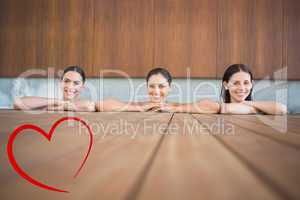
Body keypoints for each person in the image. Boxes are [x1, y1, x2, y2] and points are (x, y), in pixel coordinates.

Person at [96, 67, 220, 113]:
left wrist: (175, 109)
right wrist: (138, 108)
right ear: (146, 87)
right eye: (151, 86)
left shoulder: (174, 105)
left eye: (161, 86)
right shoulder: (138, 105)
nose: (155, 91)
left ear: (170, 88)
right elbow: (102, 105)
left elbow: (213, 107)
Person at [13, 66, 95, 111]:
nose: (70, 86)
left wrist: (62, 106)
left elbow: (89, 106)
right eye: (66, 81)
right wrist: (59, 103)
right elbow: (18, 103)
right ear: (60, 83)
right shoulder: (50, 104)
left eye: (76, 83)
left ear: (82, 87)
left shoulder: (87, 105)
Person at [219, 64, 287, 114]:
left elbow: (282, 109)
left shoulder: (256, 107)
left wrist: (245, 103)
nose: (242, 88)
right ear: (226, 85)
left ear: (251, 84)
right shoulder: (218, 107)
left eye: (246, 83)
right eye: (236, 83)